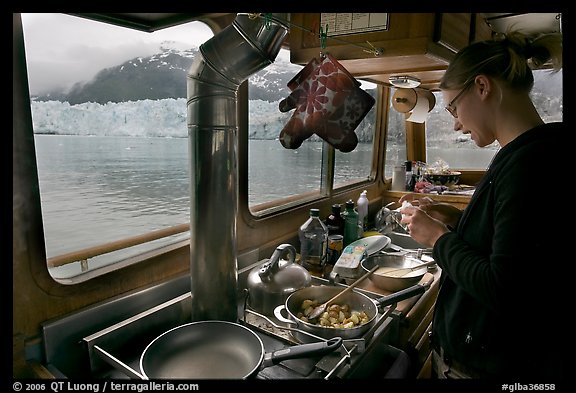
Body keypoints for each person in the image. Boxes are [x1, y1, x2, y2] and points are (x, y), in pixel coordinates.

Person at [399, 30, 564, 379]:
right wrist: (460, 220)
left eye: (454, 107)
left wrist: (437, 239)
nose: (457, 124)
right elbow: (514, 246)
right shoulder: (523, 154)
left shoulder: (529, 165)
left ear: (482, 87)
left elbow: (503, 288)